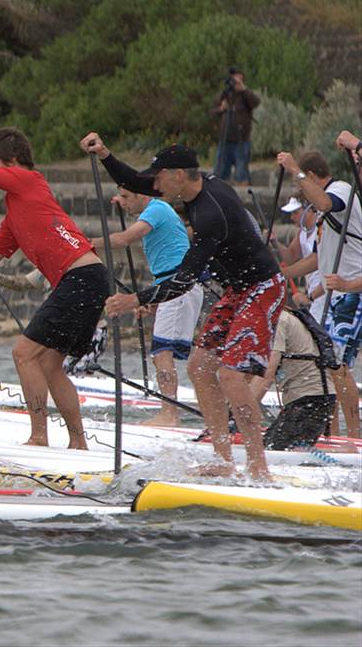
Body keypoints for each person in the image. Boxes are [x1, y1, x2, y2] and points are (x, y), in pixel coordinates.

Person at [89, 139, 285, 481]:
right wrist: (105, 154)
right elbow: (137, 181)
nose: (155, 185)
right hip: (237, 289)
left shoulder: (210, 214)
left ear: (178, 175)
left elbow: (183, 281)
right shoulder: (198, 185)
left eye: (159, 178)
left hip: (263, 288)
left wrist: (135, 299)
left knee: (231, 376)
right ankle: (224, 460)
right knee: (198, 365)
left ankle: (259, 467)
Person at [0, 128, 108, 450]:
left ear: (11, 161)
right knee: (49, 365)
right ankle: (78, 443)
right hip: (85, 280)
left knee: (23, 353)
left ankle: (38, 437)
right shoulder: (14, 214)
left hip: (83, 278)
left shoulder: (29, 180)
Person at [85, 177, 201, 427]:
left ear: (143, 195)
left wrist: (89, 244)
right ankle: (169, 411)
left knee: (162, 352)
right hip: (171, 286)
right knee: (161, 351)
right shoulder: (153, 210)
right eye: (121, 198)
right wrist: (154, 302)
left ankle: (169, 415)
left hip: (178, 287)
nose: (124, 203)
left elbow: (126, 239)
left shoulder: (157, 208)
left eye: (127, 197)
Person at [275, 148, 362, 437]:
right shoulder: (327, 215)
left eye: (304, 183)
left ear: (311, 176)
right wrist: (281, 274)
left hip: (352, 291)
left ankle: (353, 436)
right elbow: (316, 257)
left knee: (338, 366)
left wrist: (293, 170)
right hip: (334, 294)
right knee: (324, 366)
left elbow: (323, 200)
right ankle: (332, 434)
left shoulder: (341, 190)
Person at [250, 308, 341, 451]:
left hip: (311, 402)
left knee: (273, 453)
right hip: (312, 400)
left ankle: (345, 453)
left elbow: (267, 374)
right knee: (266, 446)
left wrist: (239, 411)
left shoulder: (278, 321)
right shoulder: (283, 316)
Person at [210, 67, 260, 188]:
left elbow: (256, 102)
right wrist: (221, 109)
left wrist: (244, 89)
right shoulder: (225, 95)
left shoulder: (245, 95)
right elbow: (212, 112)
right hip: (225, 139)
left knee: (241, 173)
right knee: (220, 173)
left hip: (241, 140)